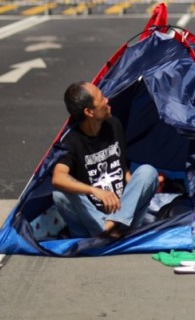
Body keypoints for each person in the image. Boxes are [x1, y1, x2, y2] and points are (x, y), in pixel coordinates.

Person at [51, 82, 158, 239]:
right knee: (60, 193)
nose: (107, 100)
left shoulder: (114, 125)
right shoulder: (71, 141)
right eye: (101, 99)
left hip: (122, 215)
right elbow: (58, 177)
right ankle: (104, 229)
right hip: (92, 221)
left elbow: (122, 169)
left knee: (148, 172)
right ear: (89, 112)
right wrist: (94, 191)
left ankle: (111, 227)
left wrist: (139, 189)